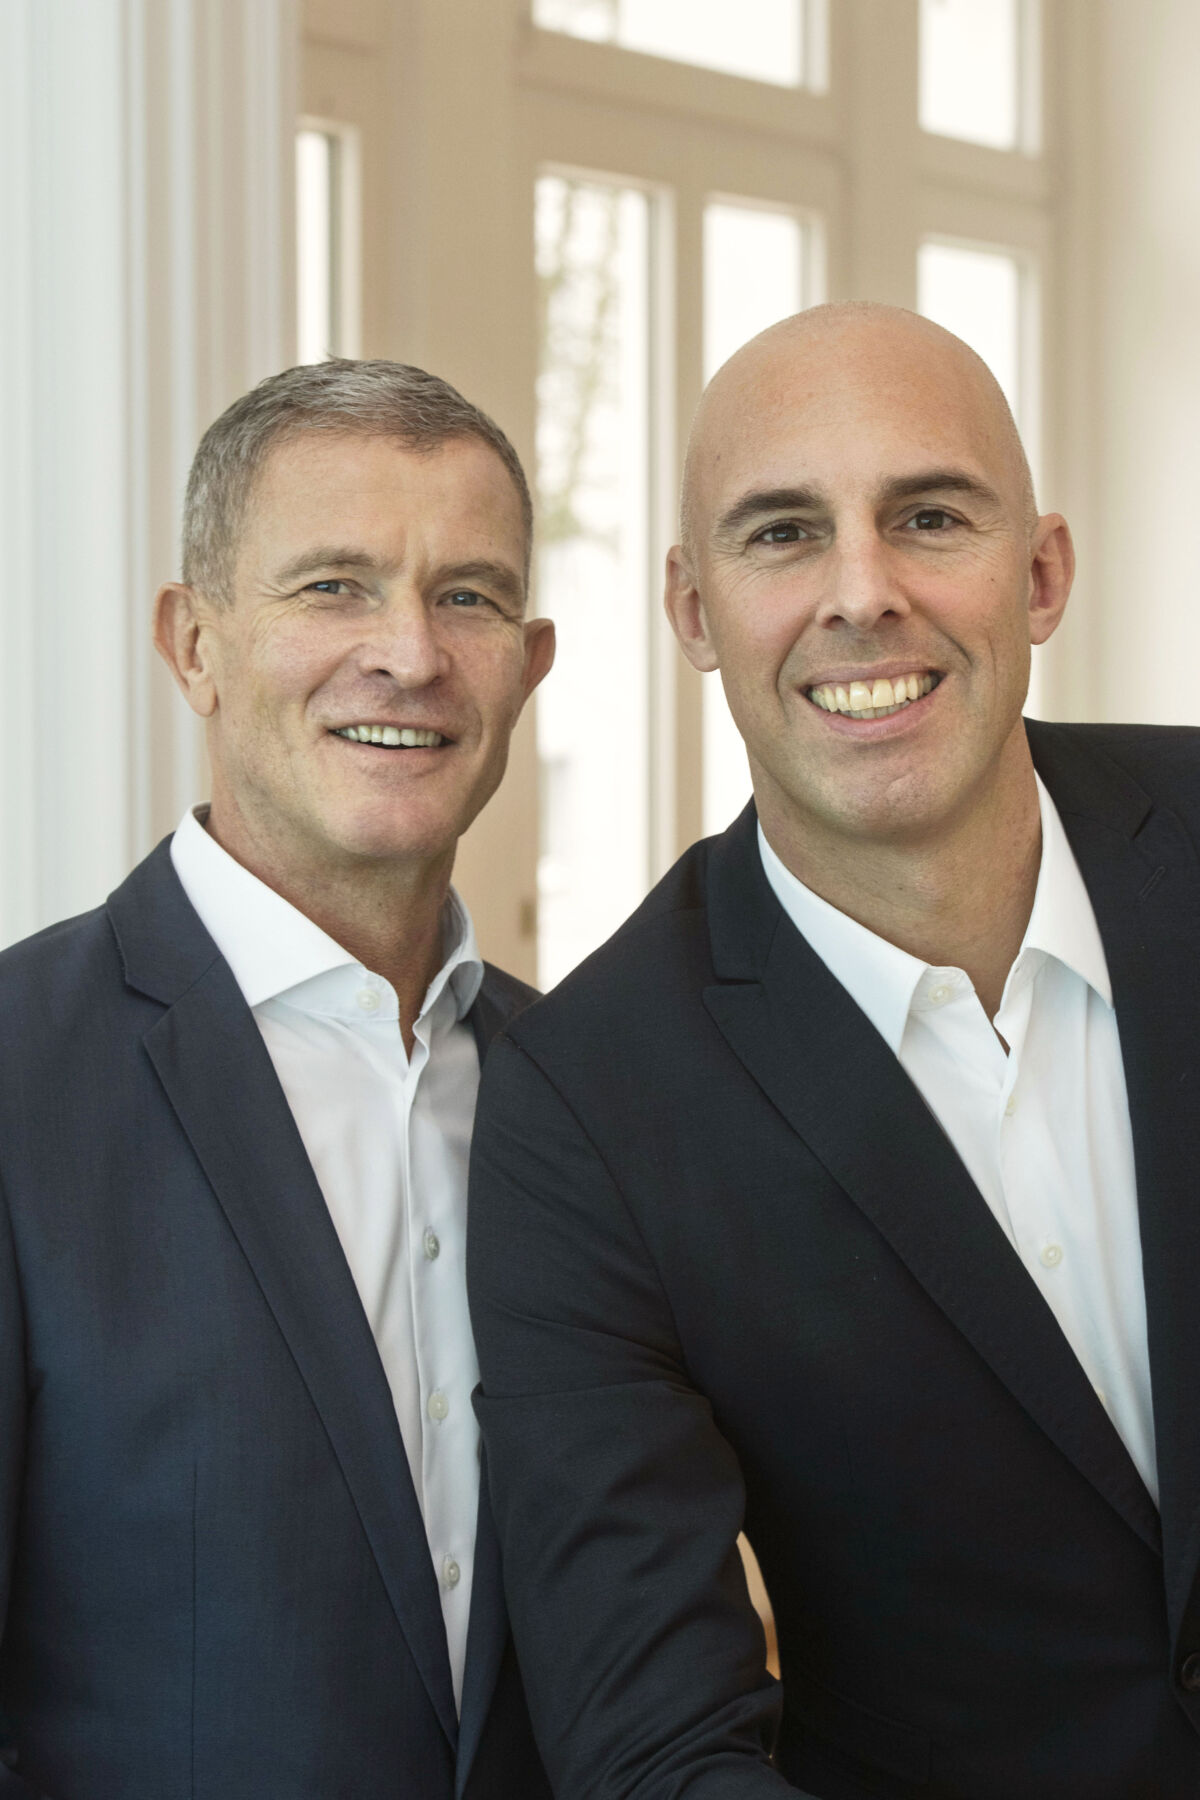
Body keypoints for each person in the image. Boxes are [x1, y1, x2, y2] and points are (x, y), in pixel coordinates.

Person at [467, 302, 1200, 1798]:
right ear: (691, 613)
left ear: (1043, 573)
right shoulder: (588, 1107)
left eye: (929, 516)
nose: (863, 593)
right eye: (784, 534)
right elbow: (658, 1754)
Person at [0, 359, 555, 1799]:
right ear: (194, 644)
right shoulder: (17, 1076)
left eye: (468, 597)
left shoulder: (590, 1091)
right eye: (333, 587)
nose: (410, 655)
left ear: (531, 663)